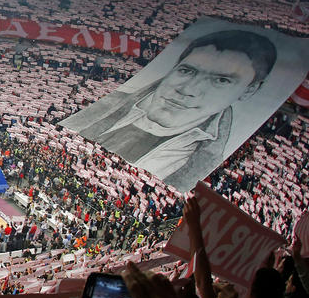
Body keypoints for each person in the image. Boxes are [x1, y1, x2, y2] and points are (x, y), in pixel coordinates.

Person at [62, 29, 278, 190]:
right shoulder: (114, 103)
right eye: (187, 71)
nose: (188, 90)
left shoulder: (206, 155)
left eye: (221, 80)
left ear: (248, 91)